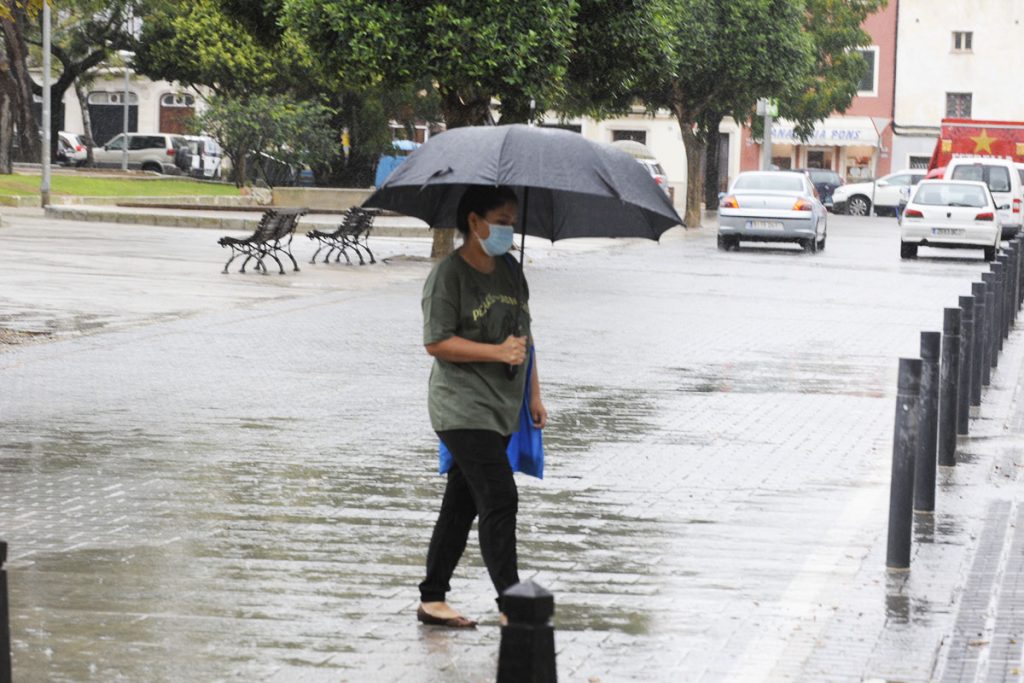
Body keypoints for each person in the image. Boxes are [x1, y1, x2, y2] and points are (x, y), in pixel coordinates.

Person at [417, 184, 548, 628]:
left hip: (501, 408)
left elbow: (525, 339)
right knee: (499, 496)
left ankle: (432, 599)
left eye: (513, 222)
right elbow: (436, 341)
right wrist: (496, 354)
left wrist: (533, 394)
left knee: (461, 503)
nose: (509, 230)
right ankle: (513, 603)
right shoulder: (447, 276)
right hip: (459, 406)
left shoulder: (512, 270)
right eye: (502, 221)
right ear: (475, 222)